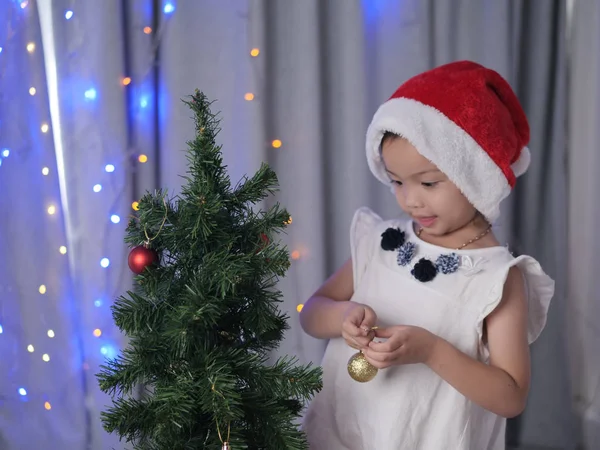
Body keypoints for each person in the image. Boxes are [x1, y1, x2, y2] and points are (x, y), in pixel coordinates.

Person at [299, 60, 555, 450]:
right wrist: (342, 318)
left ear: (477, 176)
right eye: (397, 181)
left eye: (430, 182)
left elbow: (511, 395)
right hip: (338, 433)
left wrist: (431, 350)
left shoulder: (496, 277)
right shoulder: (383, 241)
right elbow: (312, 313)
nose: (411, 199)